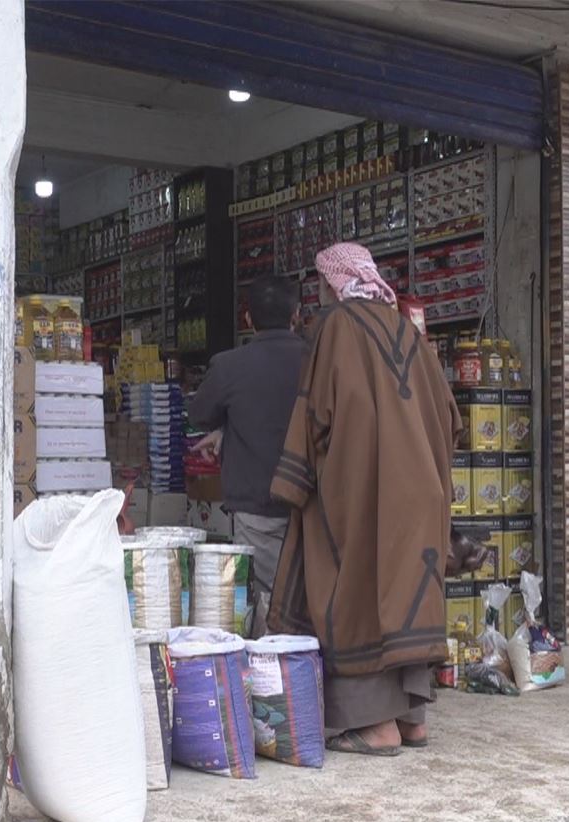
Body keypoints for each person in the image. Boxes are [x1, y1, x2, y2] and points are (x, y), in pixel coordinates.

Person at [268, 243, 462, 755]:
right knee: (408, 593)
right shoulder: (408, 331)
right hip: (420, 492)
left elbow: (315, 411)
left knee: (351, 595)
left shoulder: (336, 326)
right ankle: (413, 720)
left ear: (333, 282)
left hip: (362, 491)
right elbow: (450, 416)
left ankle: (376, 728)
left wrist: (294, 481)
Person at [188, 275, 308, 634]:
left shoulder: (229, 366)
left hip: (256, 506)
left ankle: (278, 677)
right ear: (297, 315)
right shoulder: (317, 360)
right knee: (310, 595)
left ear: (248, 319)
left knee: (267, 600)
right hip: (312, 504)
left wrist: (227, 425)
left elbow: (198, 415)